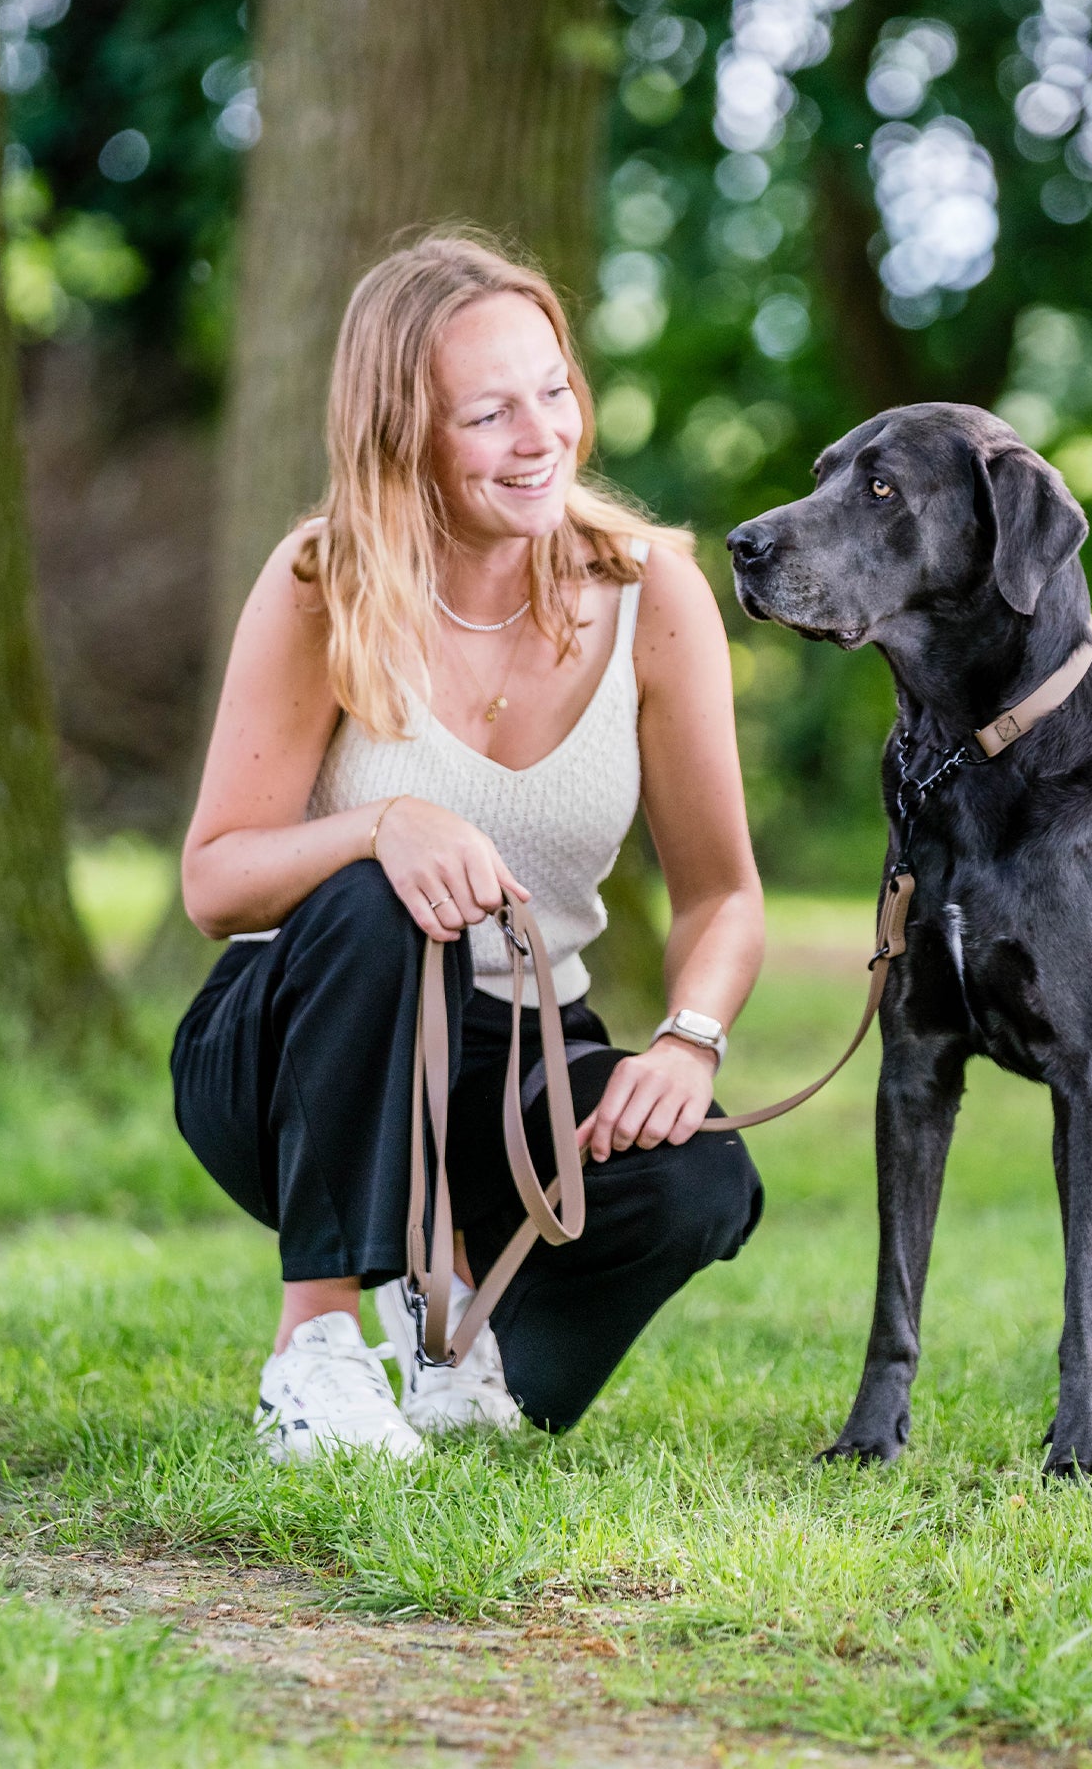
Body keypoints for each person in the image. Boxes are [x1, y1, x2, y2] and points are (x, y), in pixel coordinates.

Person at [171, 229, 766, 1462]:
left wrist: (687, 1040)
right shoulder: (319, 581)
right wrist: (380, 823)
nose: (541, 435)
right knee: (390, 898)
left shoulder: (653, 593)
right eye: (488, 413)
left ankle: (453, 1341)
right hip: (303, 1045)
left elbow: (722, 894)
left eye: (553, 391)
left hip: (517, 1065)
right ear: (404, 432)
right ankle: (318, 1344)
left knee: (700, 1178)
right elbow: (215, 875)